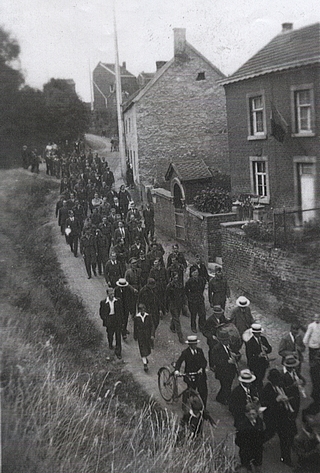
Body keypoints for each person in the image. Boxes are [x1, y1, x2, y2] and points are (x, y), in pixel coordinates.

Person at [174, 335, 208, 407]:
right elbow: (179, 361)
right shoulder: (185, 353)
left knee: (204, 392)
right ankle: (185, 403)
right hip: (190, 374)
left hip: (200, 374)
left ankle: (204, 407)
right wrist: (177, 370)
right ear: (190, 345)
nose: (195, 346)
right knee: (190, 390)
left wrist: (202, 368)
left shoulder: (200, 351)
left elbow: (204, 362)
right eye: (193, 344)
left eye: (195, 344)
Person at [210, 331, 241, 405]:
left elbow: (237, 353)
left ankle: (221, 397)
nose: (228, 341)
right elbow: (215, 361)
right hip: (222, 372)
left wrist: (237, 356)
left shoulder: (230, 346)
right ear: (222, 341)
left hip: (231, 370)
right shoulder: (216, 348)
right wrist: (227, 361)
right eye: (226, 340)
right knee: (225, 386)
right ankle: (225, 399)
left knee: (228, 385)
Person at [235, 403, 265, 473]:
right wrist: (244, 446)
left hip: (257, 450)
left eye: (253, 414)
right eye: (249, 414)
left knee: (258, 468)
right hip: (246, 450)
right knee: (246, 469)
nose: (251, 416)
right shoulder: (242, 424)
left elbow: (262, 435)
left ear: (257, 414)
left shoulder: (259, 422)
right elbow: (238, 439)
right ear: (246, 414)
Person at [245, 323, 272, 394]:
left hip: (263, 363)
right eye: (257, 333)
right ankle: (255, 393)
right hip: (255, 365)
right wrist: (258, 355)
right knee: (256, 380)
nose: (259, 334)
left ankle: (258, 391)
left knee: (261, 377)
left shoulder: (263, 339)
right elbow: (249, 356)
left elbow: (270, 349)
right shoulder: (250, 342)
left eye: (259, 332)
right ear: (253, 333)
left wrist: (266, 349)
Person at [99, 287, 122, 359]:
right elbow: (101, 313)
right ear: (107, 294)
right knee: (110, 334)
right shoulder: (103, 302)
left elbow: (121, 312)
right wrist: (105, 319)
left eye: (113, 293)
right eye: (111, 293)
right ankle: (110, 344)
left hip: (116, 320)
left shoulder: (118, 301)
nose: (112, 295)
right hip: (109, 320)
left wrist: (121, 321)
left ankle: (118, 352)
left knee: (118, 336)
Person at [166, 272, 187, 344]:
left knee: (176, 317)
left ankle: (172, 326)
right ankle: (180, 337)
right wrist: (166, 307)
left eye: (177, 278)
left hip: (179, 304)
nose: (176, 279)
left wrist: (184, 303)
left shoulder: (180, 284)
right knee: (177, 320)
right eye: (175, 278)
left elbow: (183, 294)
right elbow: (166, 296)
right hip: (173, 305)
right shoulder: (169, 286)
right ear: (172, 278)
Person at [133, 303, 155, 372]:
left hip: (147, 335)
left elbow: (152, 326)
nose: (142, 311)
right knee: (142, 349)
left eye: (143, 309)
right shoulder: (136, 318)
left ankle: (145, 357)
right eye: (141, 310)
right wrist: (135, 335)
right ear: (139, 310)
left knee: (147, 349)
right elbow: (135, 328)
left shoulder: (148, 316)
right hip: (140, 335)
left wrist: (152, 335)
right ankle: (145, 364)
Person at [185, 268, 206, 333]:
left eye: (197, 273)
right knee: (193, 314)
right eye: (194, 273)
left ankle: (201, 327)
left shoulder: (201, 280)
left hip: (200, 299)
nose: (196, 274)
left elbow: (202, 288)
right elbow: (186, 291)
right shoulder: (189, 281)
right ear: (191, 274)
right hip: (192, 300)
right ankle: (193, 327)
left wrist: (200, 294)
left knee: (202, 314)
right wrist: (190, 297)